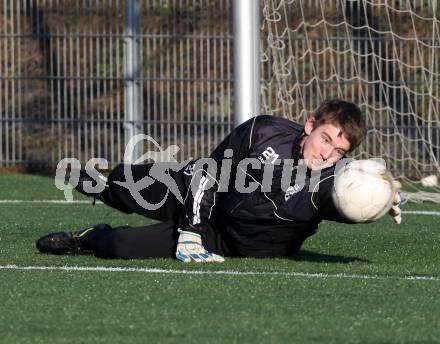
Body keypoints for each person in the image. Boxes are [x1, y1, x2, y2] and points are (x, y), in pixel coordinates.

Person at [36, 99, 402, 262]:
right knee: (126, 183)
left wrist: (377, 198)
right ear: (310, 126)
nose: (327, 154)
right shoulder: (264, 131)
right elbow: (211, 172)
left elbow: (341, 203)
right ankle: (94, 183)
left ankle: (84, 238)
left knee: (120, 246)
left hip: (225, 240)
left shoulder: (333, 183)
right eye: (326, 138)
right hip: (201, 194)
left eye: (339, 151)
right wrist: (190, 227)